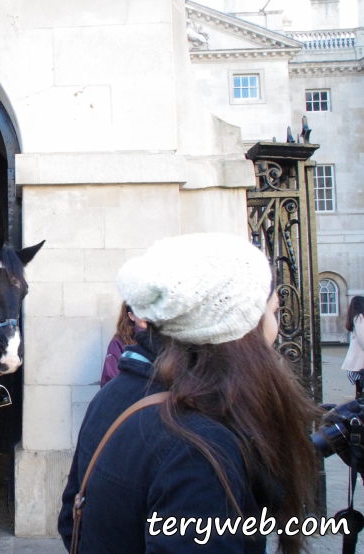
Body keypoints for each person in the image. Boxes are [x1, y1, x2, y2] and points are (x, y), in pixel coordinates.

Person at [58, 233, 320, 554]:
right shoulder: (200, 449)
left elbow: (71, 521)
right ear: (238, 326)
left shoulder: (112, 394)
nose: (275, 327)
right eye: (272, 311)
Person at [99, 302, 147, 387]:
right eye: (141, 311)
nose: (146, 316)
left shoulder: (166, 339)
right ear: (131, 315)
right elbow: (110, 381)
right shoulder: (119, 342)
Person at [342, 295, 364, 389]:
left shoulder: (355, 317)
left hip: (357, 358)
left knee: (359, 386)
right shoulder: (359, 318)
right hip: (360, 358)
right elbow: (362, 336)